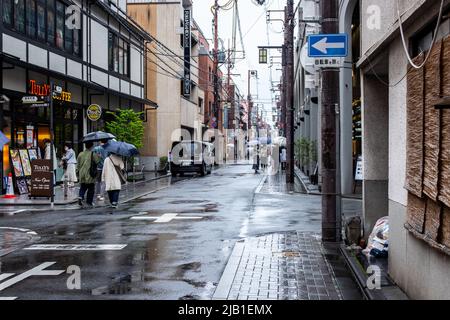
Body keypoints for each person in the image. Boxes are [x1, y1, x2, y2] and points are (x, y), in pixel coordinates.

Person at [76, 141, 99, 208]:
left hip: (81, 173)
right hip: (89, 174)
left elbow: (77, 165)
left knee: (83, 186)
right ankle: (89, 201)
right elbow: (97, 161)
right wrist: (99, 156)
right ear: (91, 146)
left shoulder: (80, 154)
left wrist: (77, 173)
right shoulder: (93, 154)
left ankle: (80, 196)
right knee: (91, 188)